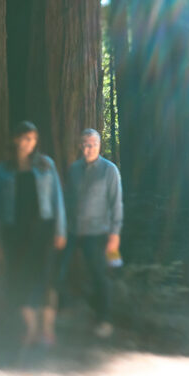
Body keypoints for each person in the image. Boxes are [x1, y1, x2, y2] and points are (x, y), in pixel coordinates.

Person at [0, 121, 67, 346]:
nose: (28, 143)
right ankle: (30, 329)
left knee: (45, 277)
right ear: (15, 139)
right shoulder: (3, 170)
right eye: (24, 138)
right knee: (19, 277)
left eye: (32, 139)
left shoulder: (45, 165)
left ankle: (47, 330)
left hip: (42, 231)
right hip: (13, 232)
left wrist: (60, 230)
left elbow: (57, 199)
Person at [64, 129, 123, 338]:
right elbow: (67, 200)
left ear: (99, 146)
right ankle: (64, 310)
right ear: (81, 146)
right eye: (86, 145)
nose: (90, 149)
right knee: (59, 269)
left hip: (98, 232)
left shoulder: (110, 171)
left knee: (100, 274)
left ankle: (104, 319)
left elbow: (116, 204)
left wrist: (114, 236)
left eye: (94, 145)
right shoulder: (73, 170)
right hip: (72, 230)